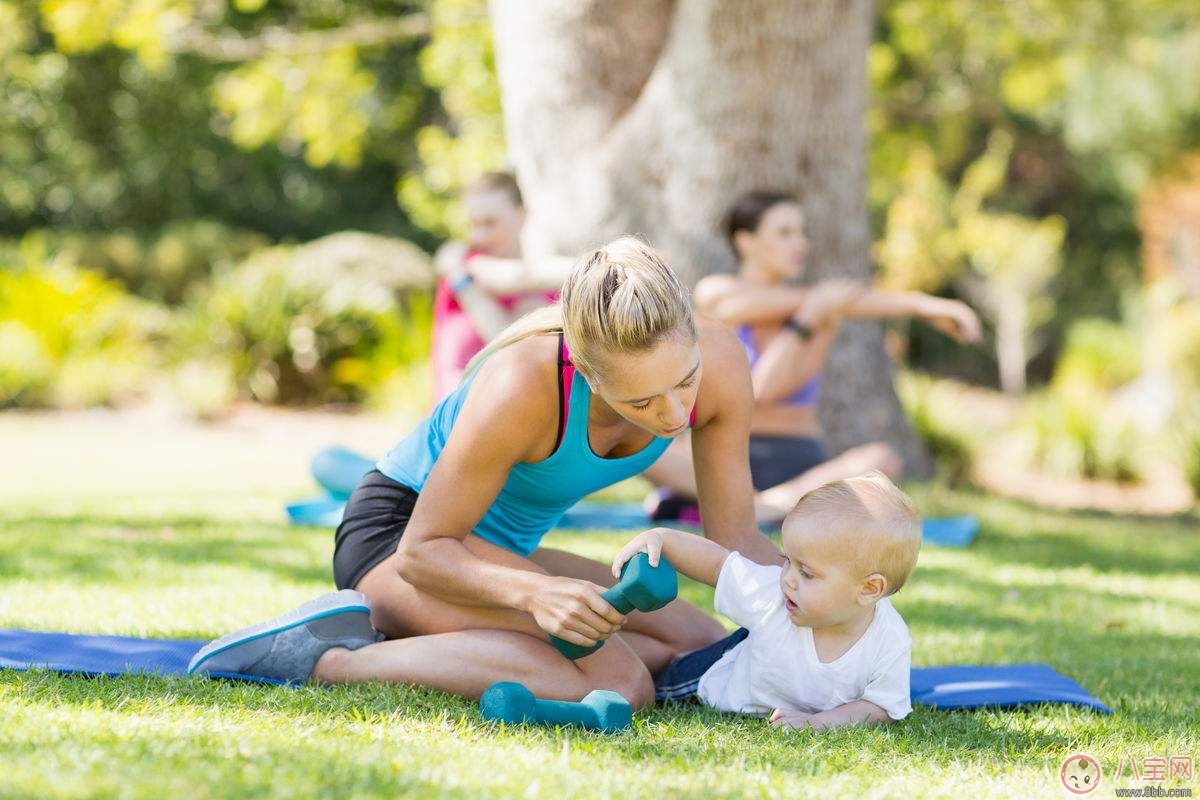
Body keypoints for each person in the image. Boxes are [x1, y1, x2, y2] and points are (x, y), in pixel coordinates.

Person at [191, 237, 783, 710]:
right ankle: (327, 659)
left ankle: (442, 642)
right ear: (586, 371)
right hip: (402, 543)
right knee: (623, 683)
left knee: (701, 645)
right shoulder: (524, 383)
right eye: (641, 402)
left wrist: (827, 591)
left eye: (684, 382)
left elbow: (735, 539)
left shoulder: (723, 362)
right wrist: (537, 594)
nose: (676, 414)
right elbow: (424, 552)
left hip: (496, 551)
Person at [644, 190, 982, 523]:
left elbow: (771, 385)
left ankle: (764, 506)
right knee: (644, 447)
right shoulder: (718, 294)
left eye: (802, 233)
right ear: (746, 242)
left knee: (882, 459)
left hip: (797, 463)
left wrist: (928, 305)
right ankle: (755, 505)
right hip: (718, 455)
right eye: (785, 232)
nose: (800, 243)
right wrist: (812, 314)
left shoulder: (823, 311)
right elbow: (756, 388)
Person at [621, 471, 920, 730]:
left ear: (869, 589)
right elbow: (717, 565)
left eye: (807, 573)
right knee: (650, 682)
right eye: (787, 560)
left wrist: (819, 722)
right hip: (712, 679)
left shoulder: (889, 640)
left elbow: (880, 707)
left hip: (767, 677)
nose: (788, 578)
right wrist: (664, 539)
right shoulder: (772, 597)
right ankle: (613, 648)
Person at [430, 171, 567, 401]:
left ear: (521, 215)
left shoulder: (546, 291)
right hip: (454, 422)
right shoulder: (463, 265)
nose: (479, 235)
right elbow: (504, 338)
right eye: (473, 224)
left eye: (490, 223)